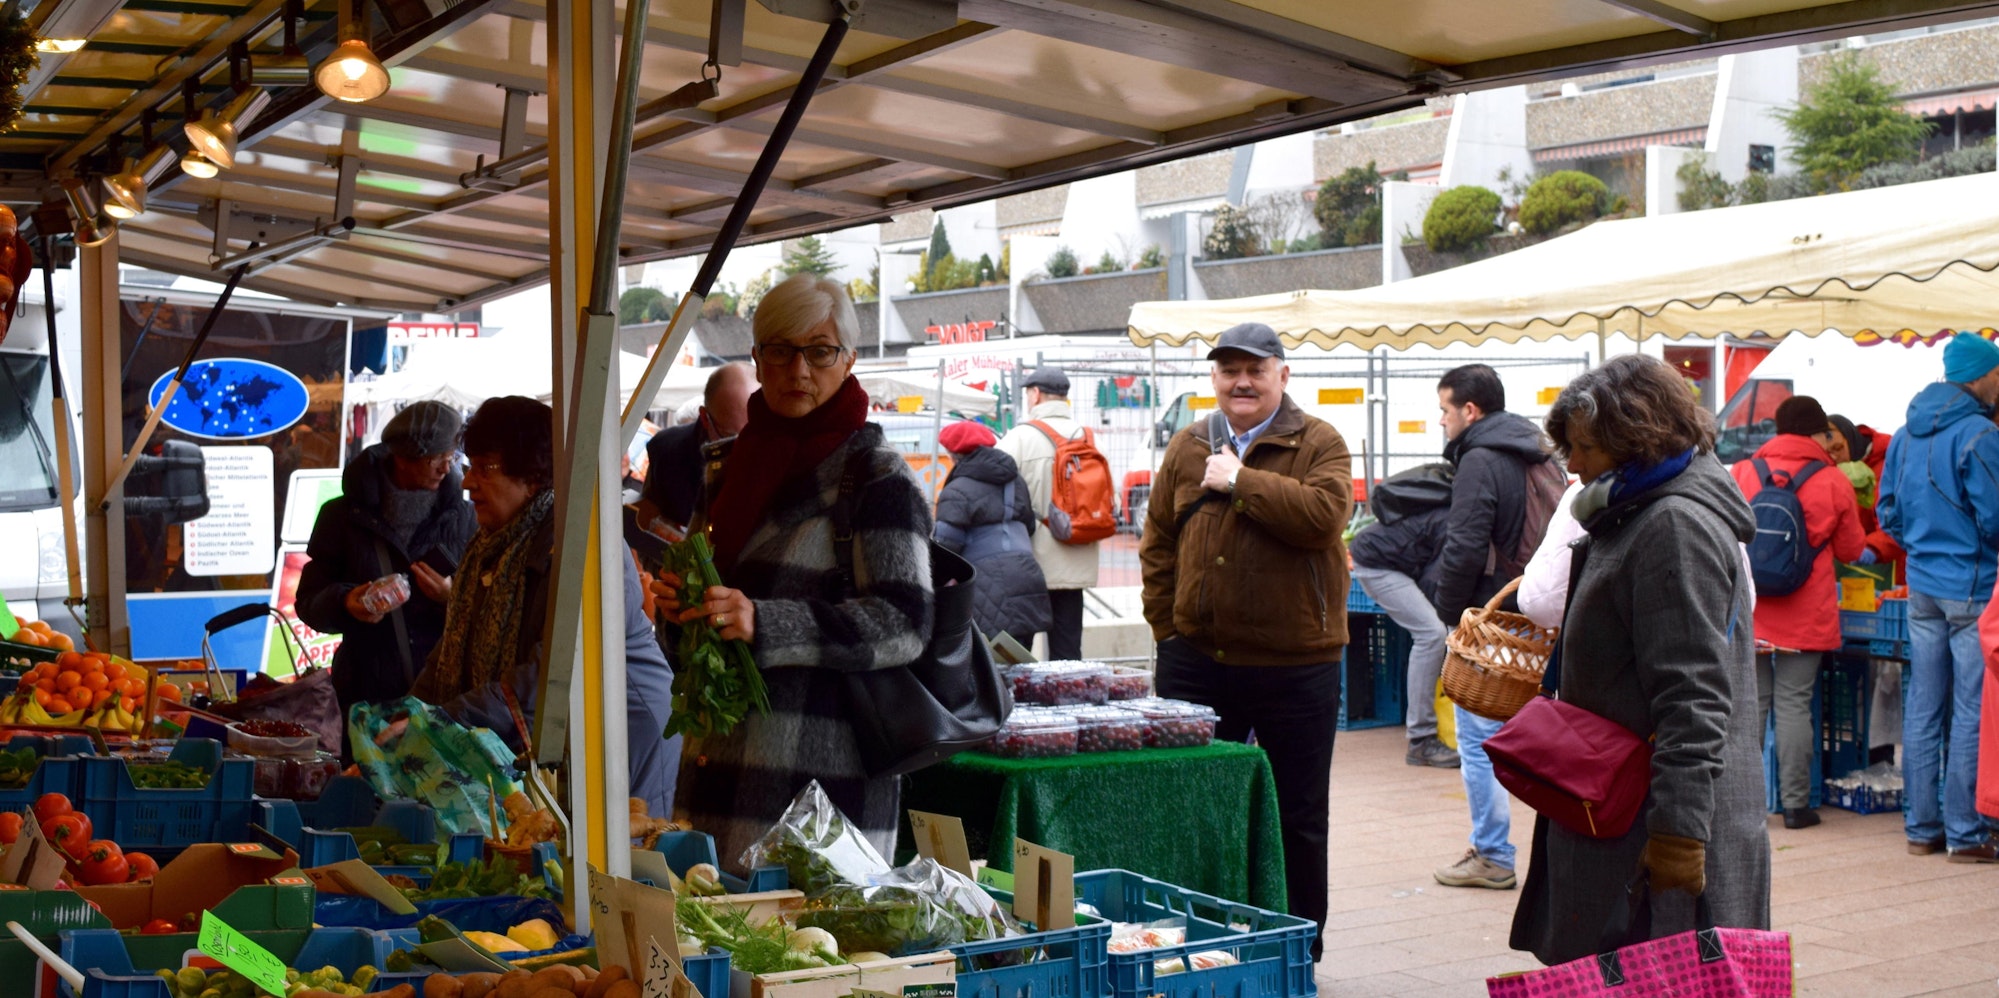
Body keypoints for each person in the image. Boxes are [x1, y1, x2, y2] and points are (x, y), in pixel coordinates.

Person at [656, 273, 935, 864]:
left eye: (820, 351)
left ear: (850, 359)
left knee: (800, 953)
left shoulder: (877, 476)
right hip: (717, 768)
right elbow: (702, 630)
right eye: (780, 351)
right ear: (757, 357)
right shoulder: (725, 471)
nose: (798, 370)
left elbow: (904, 622)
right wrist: (683, 613)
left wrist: (765, 622)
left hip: (821, 796)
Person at [1510, 354, 1769, 967]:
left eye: (1585, 448)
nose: (1572, 465)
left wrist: (1678, 835)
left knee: (1661, 972)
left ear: (1636, 438)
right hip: (1624, 798)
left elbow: (1694, 696)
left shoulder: (1673, 524)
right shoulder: (1639, 506)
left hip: (1655, 814)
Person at [1139, 321, 1351, 960]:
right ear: (1214, 379)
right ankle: (1194, 946)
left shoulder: (1319, 441)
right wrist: (1169, 632)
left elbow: (1323, 518)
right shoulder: (1187, 444)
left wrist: (1239, 480)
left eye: (1255, 369)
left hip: (1298, 668)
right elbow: (1158, 544)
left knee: (1298, 818)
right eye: (1229, 369)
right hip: (1199, 664)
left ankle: (1296, 951)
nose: (1241, 381)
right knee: (1195, 809)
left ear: (1282, 376)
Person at [408, 395, 682, 816]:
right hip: (560, 738)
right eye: (470, 466)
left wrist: (439, 723)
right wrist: (411, 714)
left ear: (533, 477)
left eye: (486, 468)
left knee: (621, 866)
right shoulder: (491, 547)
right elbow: (452, 650)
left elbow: (550, 674)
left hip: (621, 732)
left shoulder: (580, 544)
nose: (467, 482)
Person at [1423, 364, 1564, 888]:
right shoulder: (1538, 450)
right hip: (1541, 615)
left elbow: (1462, 545)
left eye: (1444, 410)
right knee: (1547, 737)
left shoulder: (1480, 459)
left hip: (1495, 625)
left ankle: (1492, 854)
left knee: (1480, 738)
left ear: (1470, 410)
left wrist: (1450, 614)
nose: (1441, 421)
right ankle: (1558, 855)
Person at [1878, 332, 1999, 861]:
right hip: (1972, 586)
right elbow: (1995, 518)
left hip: (1923, 584)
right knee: (1970, 711)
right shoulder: (1979, 434)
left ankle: (1922, 830)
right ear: (1980, 376)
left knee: (1924, 708)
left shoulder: (1906, 435)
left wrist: (1922, 549)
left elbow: (1888, 514)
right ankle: (1965, 833)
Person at [298, 400, 476, 739]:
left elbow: (490, 612)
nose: (445, 467)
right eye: (434, 458)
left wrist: (451, 598)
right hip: (364, 701)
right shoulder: (341, 516)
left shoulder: (466, 516)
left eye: (450, 457)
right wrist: (346, 602)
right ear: (402, 458)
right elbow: (308, 602)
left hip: (443, 705)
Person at [1729, 395, 1865, 830]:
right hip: (1807, 611)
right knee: (1794, 706)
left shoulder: (1744, 471)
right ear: (1819, 432)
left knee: (1752, 707)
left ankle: (1743, 804)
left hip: (1753, 610)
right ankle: (1794, 806)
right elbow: (1849, 548)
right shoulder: (1832, 479)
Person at [996, 366, 1100, 660]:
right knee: (1067, 655)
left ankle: (1021, 704)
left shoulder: (1019, 438)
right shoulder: (1090, 437)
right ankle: (1066, 702)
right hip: (1076, 563)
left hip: (1030, 564)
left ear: (1035, 394)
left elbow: (995, 488)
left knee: (1018, 655)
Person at [1349, 504, 1454, 770]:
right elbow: (1434, 582)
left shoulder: (1461, 516)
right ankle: (1421, 740)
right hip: (1375, 562)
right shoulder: (1458, 524)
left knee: (1438, 632)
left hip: (1392, 560)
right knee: (1432, 634)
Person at [933, 419, 1051, 648]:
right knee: (1020, 665)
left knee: (990, 670)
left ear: (953, 453)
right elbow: (1029, 526)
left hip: (987, 589)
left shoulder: (956, 490)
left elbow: (945, 549)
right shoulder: (1015, 481)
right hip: (1028, 579)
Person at [638, 362, 755, 538]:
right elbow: (648, 521)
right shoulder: (667, 452)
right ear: (705, 418)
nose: (742, 449)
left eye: (752, 434)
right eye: (729, 438)